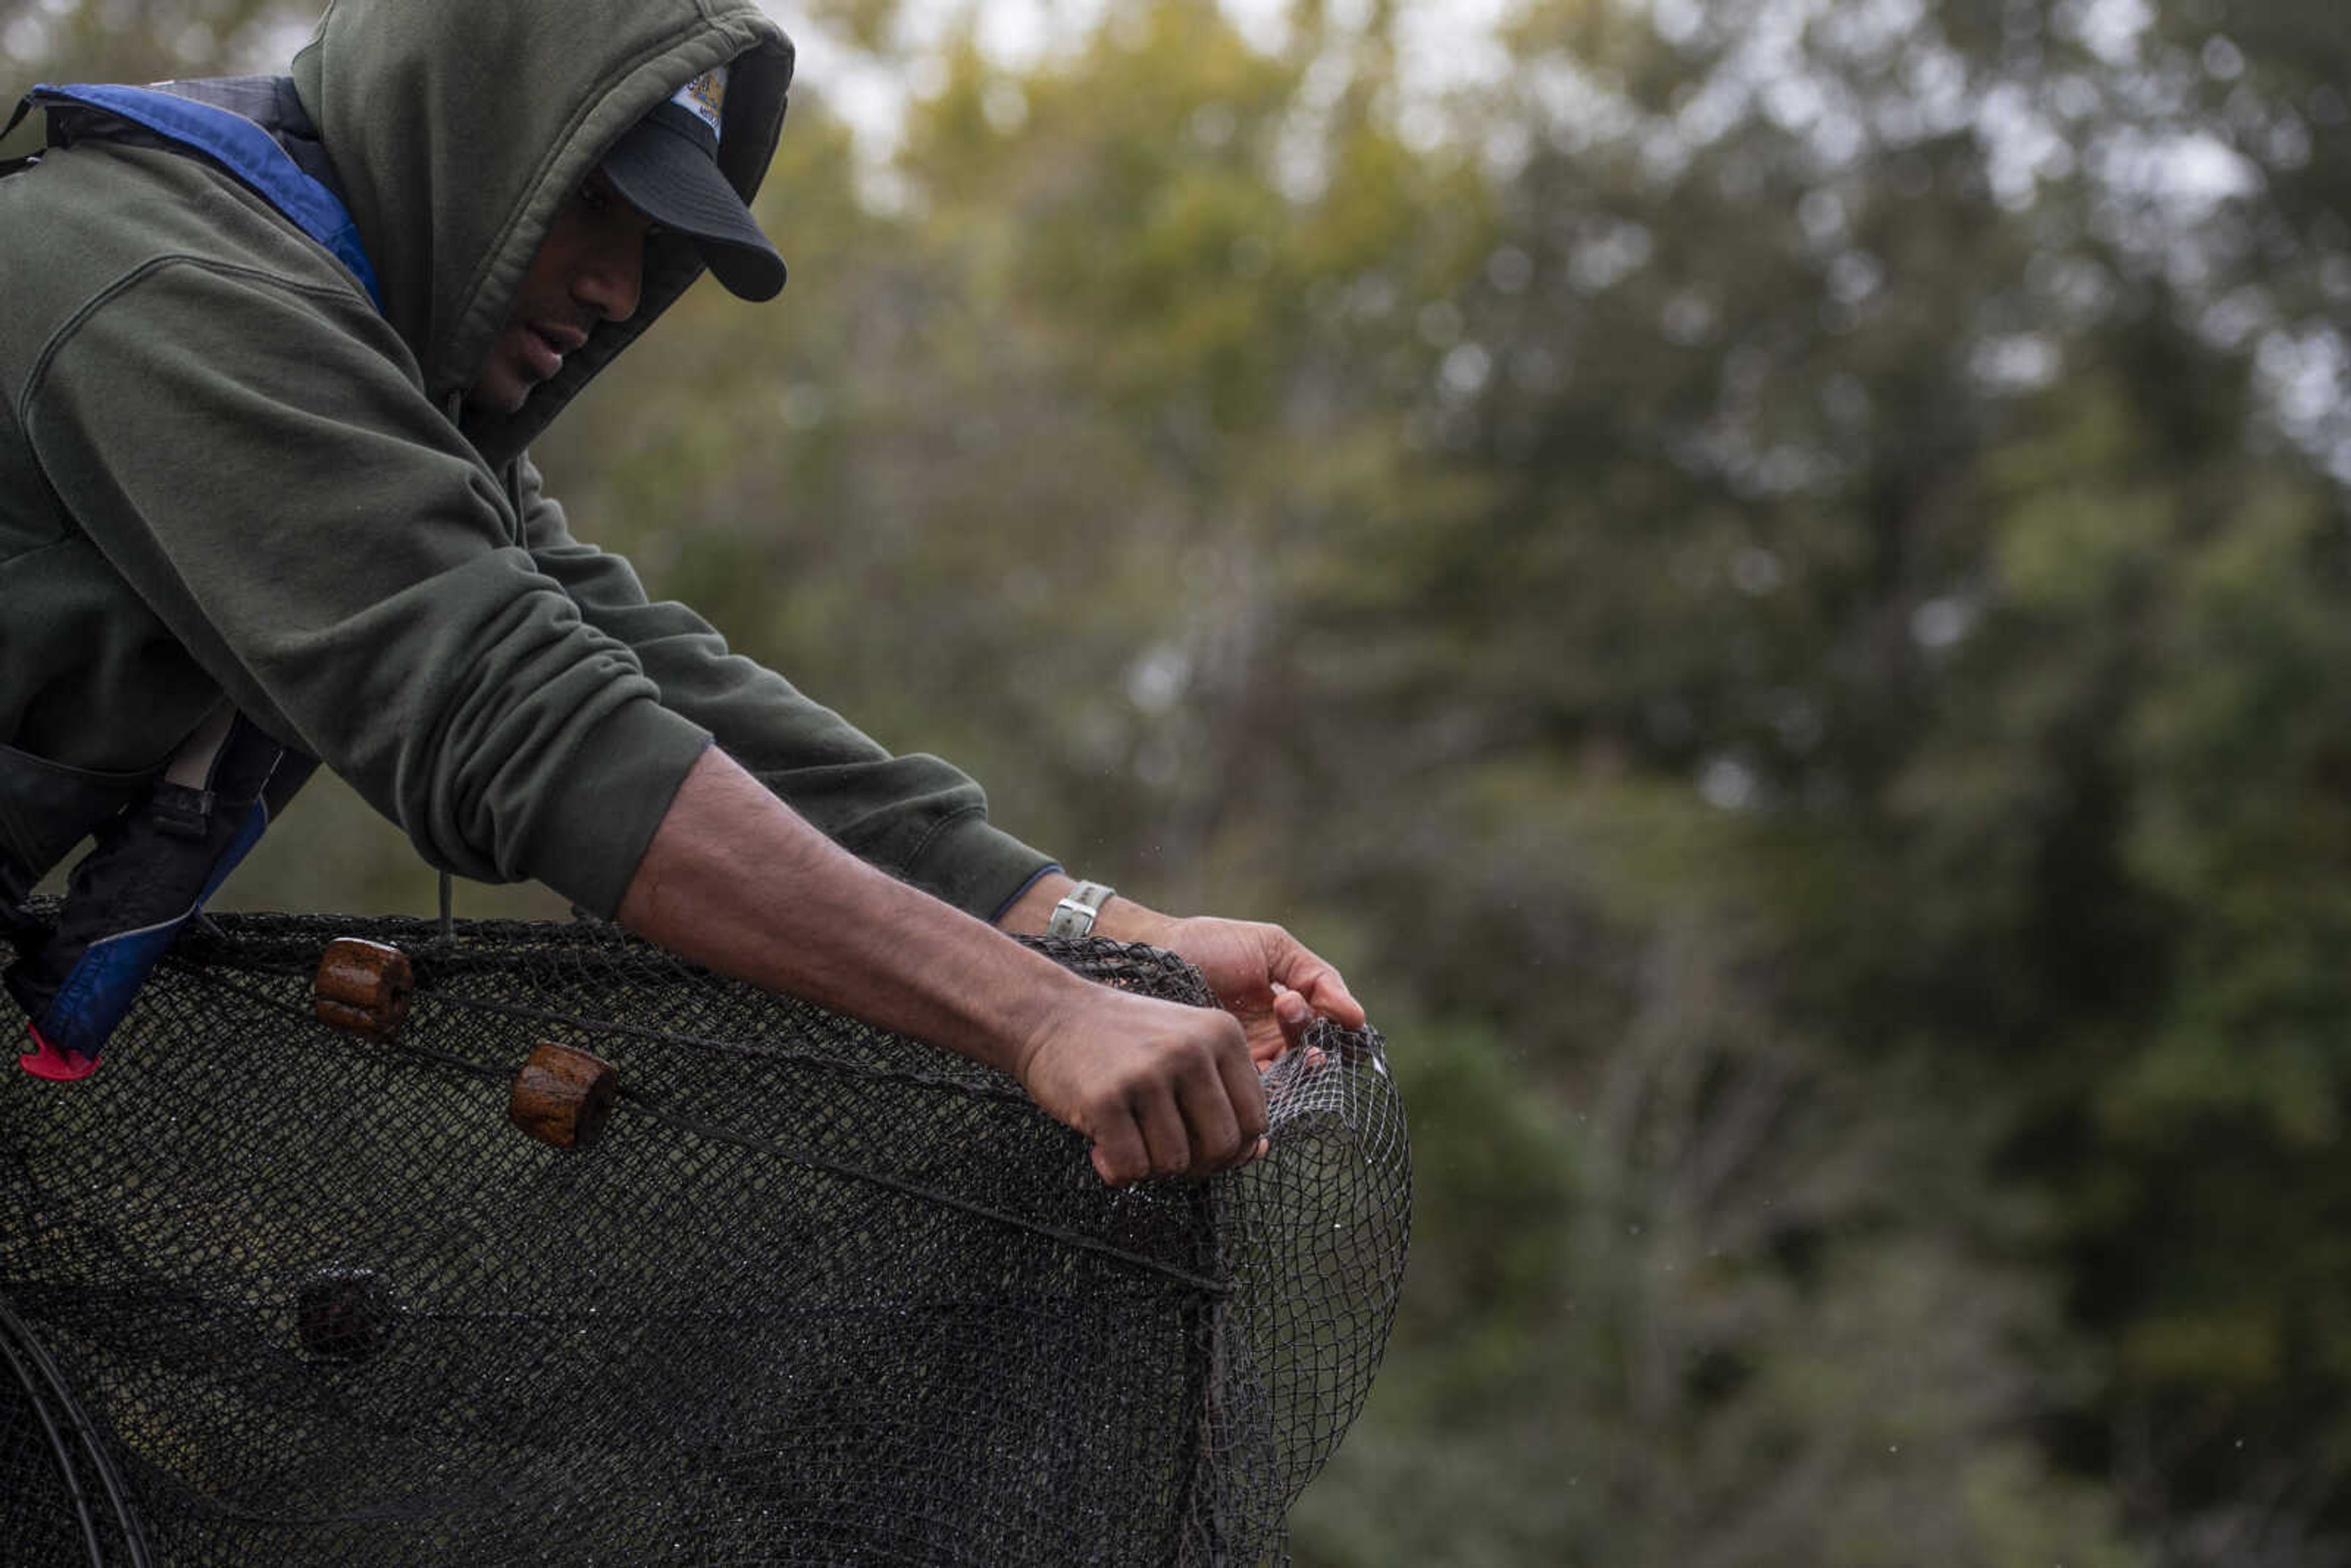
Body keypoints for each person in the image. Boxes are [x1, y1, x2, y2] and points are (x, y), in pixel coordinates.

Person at [0, 0, 1362, 1185]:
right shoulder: (171, 288)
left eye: (657, 240)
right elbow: (521, 721)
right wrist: (1037, 1017)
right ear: (462, 134)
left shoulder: (370, 370)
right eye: (592, 202)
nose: (616, 287)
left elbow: (647, 679)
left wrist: (1111, 940)